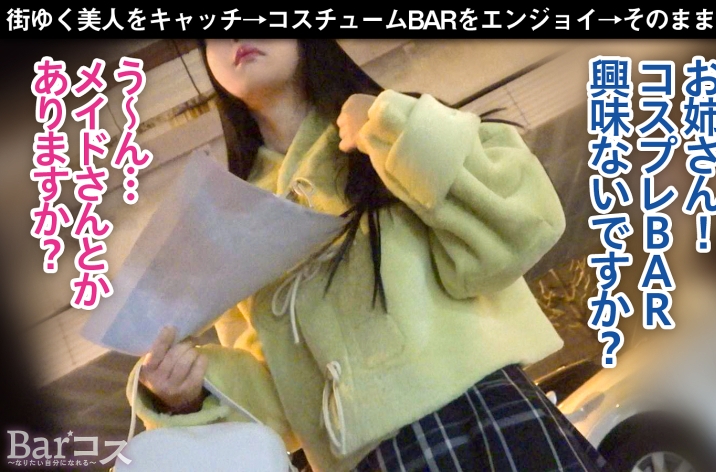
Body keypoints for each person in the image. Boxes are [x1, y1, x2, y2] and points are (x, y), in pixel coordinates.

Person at [127, 39, 610, 472]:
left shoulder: (389, 125)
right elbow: (281, 406)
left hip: (477, 414)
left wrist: (394, 129)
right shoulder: (230, 219)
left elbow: (520, 228)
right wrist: (186, 391)